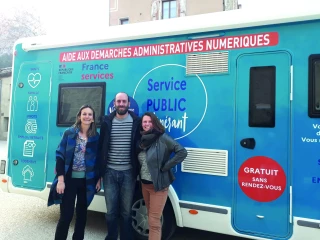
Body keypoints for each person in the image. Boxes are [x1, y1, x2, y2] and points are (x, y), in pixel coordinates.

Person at [48, 105, 101, 240]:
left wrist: (99, 179)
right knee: (66, 216)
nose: (87, 117)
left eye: (90, 114)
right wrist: (61, 180)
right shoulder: (69, 133)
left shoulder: (96, 137)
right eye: (84, 114)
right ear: (79, 116)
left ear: (93, 119)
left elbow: (99, 159)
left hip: (87, 181)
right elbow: (60, 155)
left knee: (82, 216)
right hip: (69, 180)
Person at [137, 112, 187, 240]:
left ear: (154, 123)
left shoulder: (163, 138)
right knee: (151, 218)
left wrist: (165, 166)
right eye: (144, 122)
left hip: (158, 186)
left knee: (154, 222)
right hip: (145, 184)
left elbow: (181, 152)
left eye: (149, 121)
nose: (146, 124)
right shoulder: (142, 140)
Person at [98, 92, 141, 240]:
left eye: (124, 101)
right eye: (118, 101)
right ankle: (111, 237)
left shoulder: (136, 121)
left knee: (126, 212)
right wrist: (100, 174)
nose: (121, 104)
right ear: (114, 104)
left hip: (129, 173)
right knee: (110, 212)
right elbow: (101, 148)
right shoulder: (106, 122)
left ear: (129, 104)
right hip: (109, 172)